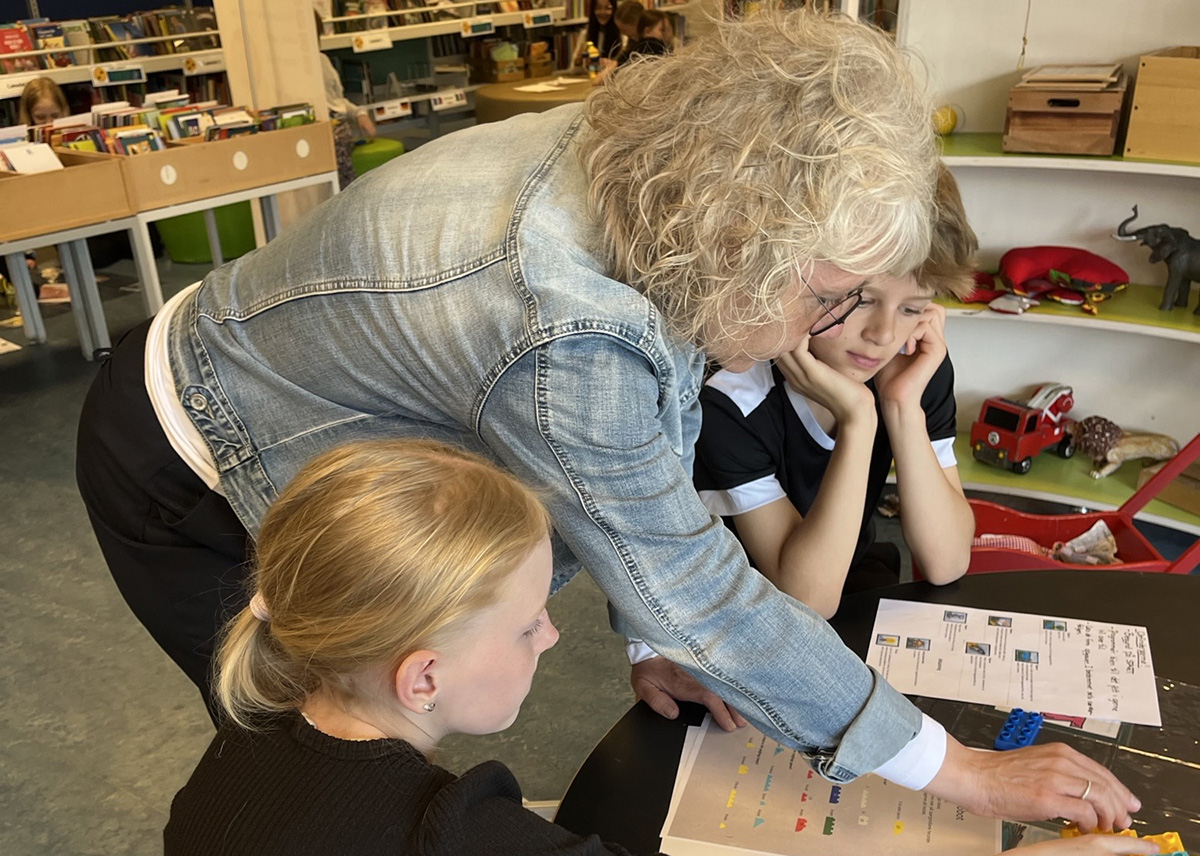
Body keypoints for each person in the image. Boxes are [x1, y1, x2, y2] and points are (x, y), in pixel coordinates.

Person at [77, 10, 1140, 833]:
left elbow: (655, 420)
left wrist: (647, 631)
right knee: (326, 771)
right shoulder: (567, 328)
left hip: (328, 395)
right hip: (195, 457)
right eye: (823, 298)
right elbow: (702, 588)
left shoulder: (674, 170)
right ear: (743, 246)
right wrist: (960, 769)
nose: (824, 330)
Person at [164, 438, 1155, 856]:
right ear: (422, 674)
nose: (553, 631)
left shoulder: (229, 759)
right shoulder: (461, 832)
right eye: (525, 623)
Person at [691, 165, 976, 619]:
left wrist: (901, 407)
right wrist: (859, 418)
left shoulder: (912, 367)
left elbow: (947, 562)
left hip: (850, 576)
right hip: (737, 607)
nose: (883, 335)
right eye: (860, 299)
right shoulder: (732, 393)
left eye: (912, 308)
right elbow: (807, 599)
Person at [573, 0, 621, 67]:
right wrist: (579, 60)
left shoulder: (622, 36)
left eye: (608, 8)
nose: (602, 12)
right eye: (598, 8)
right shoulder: (585, 34)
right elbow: (573, 69)